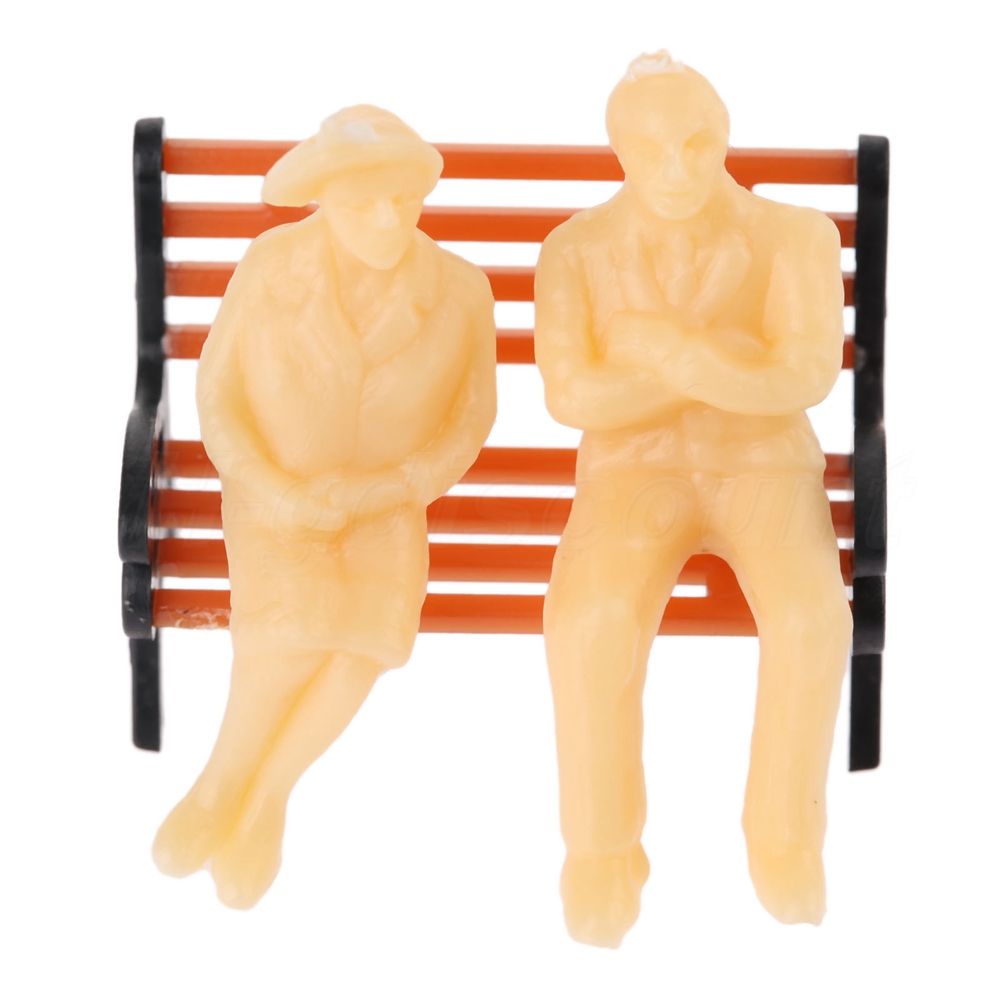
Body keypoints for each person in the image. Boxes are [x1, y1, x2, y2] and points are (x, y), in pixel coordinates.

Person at [535, 53, 853, 947]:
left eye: (695, 144)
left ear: (724, 138)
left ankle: (784, 837)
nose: (675, 168)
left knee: (812, 624)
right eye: (650, 149)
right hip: (631, 473)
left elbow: (804, 376)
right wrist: (723, 370)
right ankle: (601, 850)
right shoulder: (574, 250)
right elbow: (573, 396)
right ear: (619, 153)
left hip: (764, 467)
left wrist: (672, 352)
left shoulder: (795, 237)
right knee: (589, 622)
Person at [152, 106, 497, 909]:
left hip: (387, 504)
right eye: (360, 204)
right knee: (290, 633)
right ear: (325, 201)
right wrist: (273, 488)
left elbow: (471, 417)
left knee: (364, 644)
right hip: (275, 495)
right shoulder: (273, 265)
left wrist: (401, 484)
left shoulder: (459, 290)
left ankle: (265, 796)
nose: (386, 221)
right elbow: (218, 392)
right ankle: (220, 783)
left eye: (402, 200)